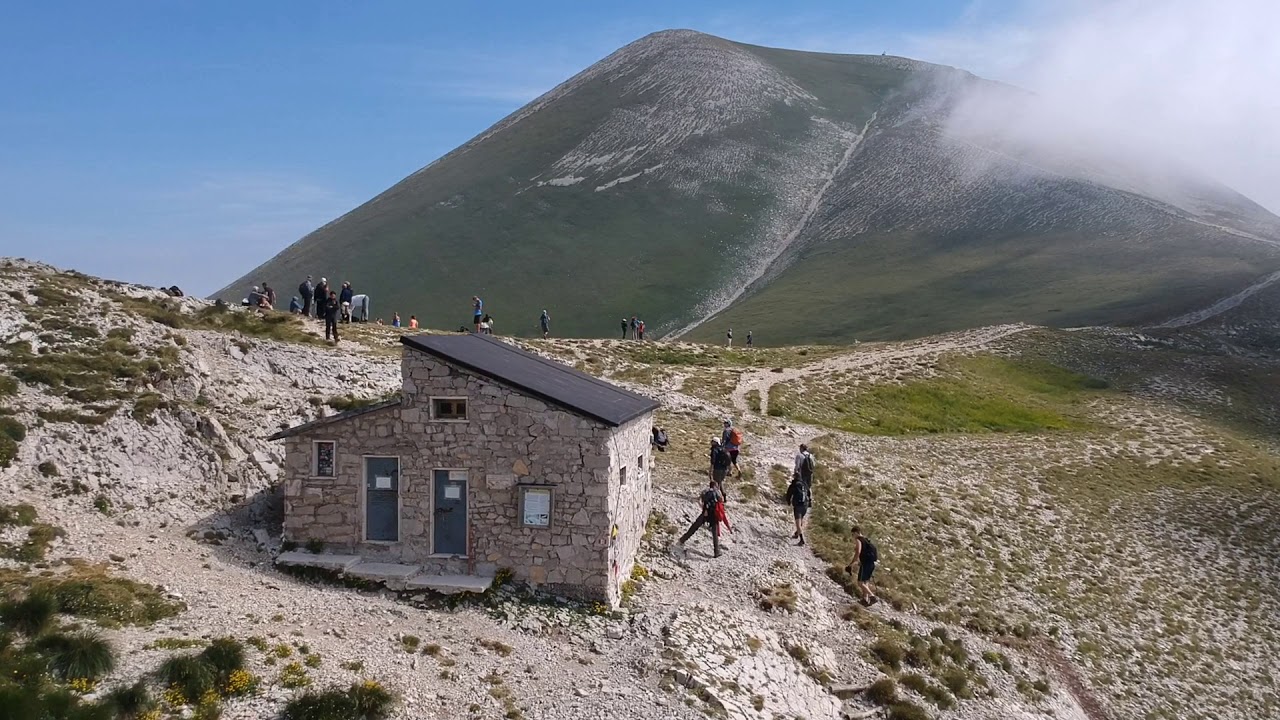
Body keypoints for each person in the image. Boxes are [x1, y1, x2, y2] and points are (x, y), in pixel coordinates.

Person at [676, 479, 726, 558]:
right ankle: (716, 551)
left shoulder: (705, 491)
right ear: (716, 486)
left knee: (695, 526)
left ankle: (683, 539)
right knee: (714, 533)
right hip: (714, 514)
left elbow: (700, 500)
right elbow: (722, 501)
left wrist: (703, 509)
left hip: (705, 513)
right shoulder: (718, 492)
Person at [844, 527, 880, 606]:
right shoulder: (867, 540)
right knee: (865, 582)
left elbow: (858, 552)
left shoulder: (859, 540)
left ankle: (872, 596)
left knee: (860, 583)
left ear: (856, 532)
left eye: (853, 534)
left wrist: (852, 564)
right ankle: (865, 600)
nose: (853, 536)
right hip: (872, 564)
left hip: (866, 564)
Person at [784, 472, 812, 545]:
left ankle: (801, 540)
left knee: (798, 523)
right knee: (801, 519)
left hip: (798, 506)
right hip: (805, 505)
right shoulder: (804, 484)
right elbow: (809, 494)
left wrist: (788, 502)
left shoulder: (794, 485)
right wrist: (809, 503)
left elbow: (788, 494)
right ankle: (797, 533)